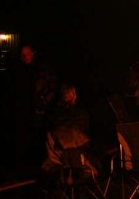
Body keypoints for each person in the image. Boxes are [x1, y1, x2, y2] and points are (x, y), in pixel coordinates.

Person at [7, 43, 58, 176]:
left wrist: (44, 102)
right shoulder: (19, 70)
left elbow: (52, 87)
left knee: (38, 137)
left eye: (27, 54)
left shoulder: (42, 70)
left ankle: (37, 166)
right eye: (23, 55)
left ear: (33, 53)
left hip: (38, 111)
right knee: (24, 137)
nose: (25, 57)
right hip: (24, 110)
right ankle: (25, 167)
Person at [41, 82, 99, 182]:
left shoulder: (51, 117)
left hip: (62, 165)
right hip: (77, 164)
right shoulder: (79, 116)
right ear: (74, 96)